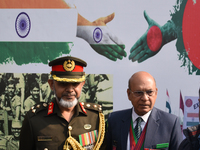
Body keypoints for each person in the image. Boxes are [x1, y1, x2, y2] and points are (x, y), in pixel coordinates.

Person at [19, 56, 105, 150]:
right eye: (63, 84)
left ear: (82, 84)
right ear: (52, 85)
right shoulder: (34, 119)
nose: (70, 90)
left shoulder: (95, 117)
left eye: (75, 84)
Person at [106, 71, 182, 150]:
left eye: (149, 92)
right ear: (129, 94)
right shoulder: (115, 120)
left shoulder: (170, 123)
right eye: (138, 93)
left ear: (156, 93)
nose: (145, 98)